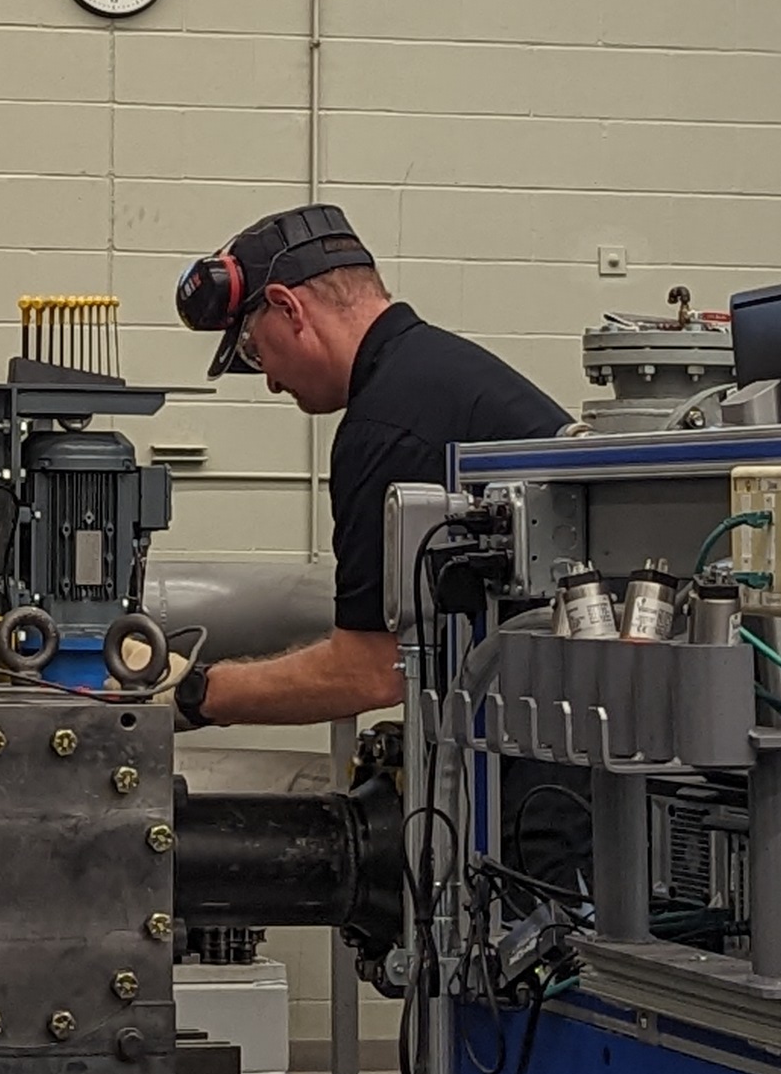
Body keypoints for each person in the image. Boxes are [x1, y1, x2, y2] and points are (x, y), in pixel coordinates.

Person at [167, 204, 564, 727]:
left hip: (541, 767)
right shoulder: (436, 371)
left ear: (289, 308)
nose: (269, 382)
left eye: (256, 352)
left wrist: (194, 694)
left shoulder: (384, 428)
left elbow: (368, 672)